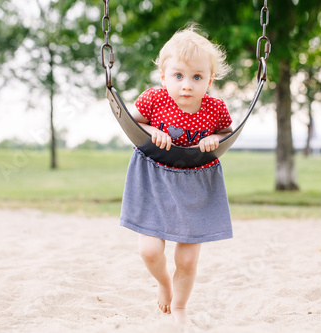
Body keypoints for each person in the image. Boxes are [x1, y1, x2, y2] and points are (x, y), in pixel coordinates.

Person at [119, 25, 233, 326]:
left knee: (186, 259)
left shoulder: (215, 108)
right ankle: (164, 284)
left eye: (197, 77)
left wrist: (214, 140)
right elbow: (135, 122)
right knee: (149, 250)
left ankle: (181, 306)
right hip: (155, 178)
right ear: (164, 76)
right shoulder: (154, 100)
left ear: (209, 80)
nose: (187, 85)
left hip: (195, 180)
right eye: (178, 76)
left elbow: (226, 131)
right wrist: (153, 129)